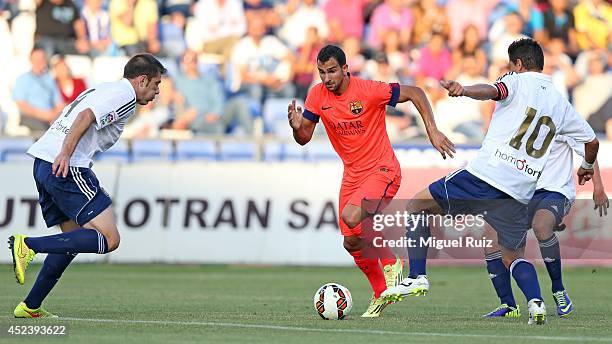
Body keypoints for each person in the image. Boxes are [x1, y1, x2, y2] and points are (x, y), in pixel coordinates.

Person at [381, 38, 598, 325]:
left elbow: (494, 90)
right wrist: (586, 166)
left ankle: (416, 276)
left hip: (487, 174)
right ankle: (535, 303)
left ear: (518, 64)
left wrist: (465, 90)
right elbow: (592, 141)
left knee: (416, 207)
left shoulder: (516, 81)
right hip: (520, 189)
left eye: (511, 65)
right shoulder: (561, 102)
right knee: (512, 254)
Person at [287, 45, 455, 318]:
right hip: (352, 175)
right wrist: (297, 128)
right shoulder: (317, 95)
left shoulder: (369, 90)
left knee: (352, 216)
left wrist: (432, 131)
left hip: (383, 170)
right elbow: (304, 138)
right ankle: (380, 293)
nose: (327, 78)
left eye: (332, 71)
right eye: (321, 72)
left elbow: (415, 92)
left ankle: (392, 262)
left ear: (345, 69)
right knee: (351, 243)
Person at [8, 53, 166, 318]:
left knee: (71, 241)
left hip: (44, 163)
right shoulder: (124, 95)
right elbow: (85, 117)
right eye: (156, 84)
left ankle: (30, 306)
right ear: (141, 80)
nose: (157, 92)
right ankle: (28, 245)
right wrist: (66, 154)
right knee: (109, 238)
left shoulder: (106, 88)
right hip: (65, 165)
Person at [482, 136, 609, 318]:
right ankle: (508, 305)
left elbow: (589, 147)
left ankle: (558, 290)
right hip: (523, 193)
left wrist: (598, 187)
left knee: (541, 225)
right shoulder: (515, 117)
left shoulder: (562, 115)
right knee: (491, 235)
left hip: (556, 191)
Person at [12, 46, 64, 133]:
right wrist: (44, 115)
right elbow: (21, 105)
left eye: (42, 58)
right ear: (31, 59)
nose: (39, 62)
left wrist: (54, 114)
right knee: (45, 131)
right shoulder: (23, 79)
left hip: (51, 117)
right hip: (31, 118)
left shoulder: (49, 79)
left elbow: (59, 103)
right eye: (37, 59)